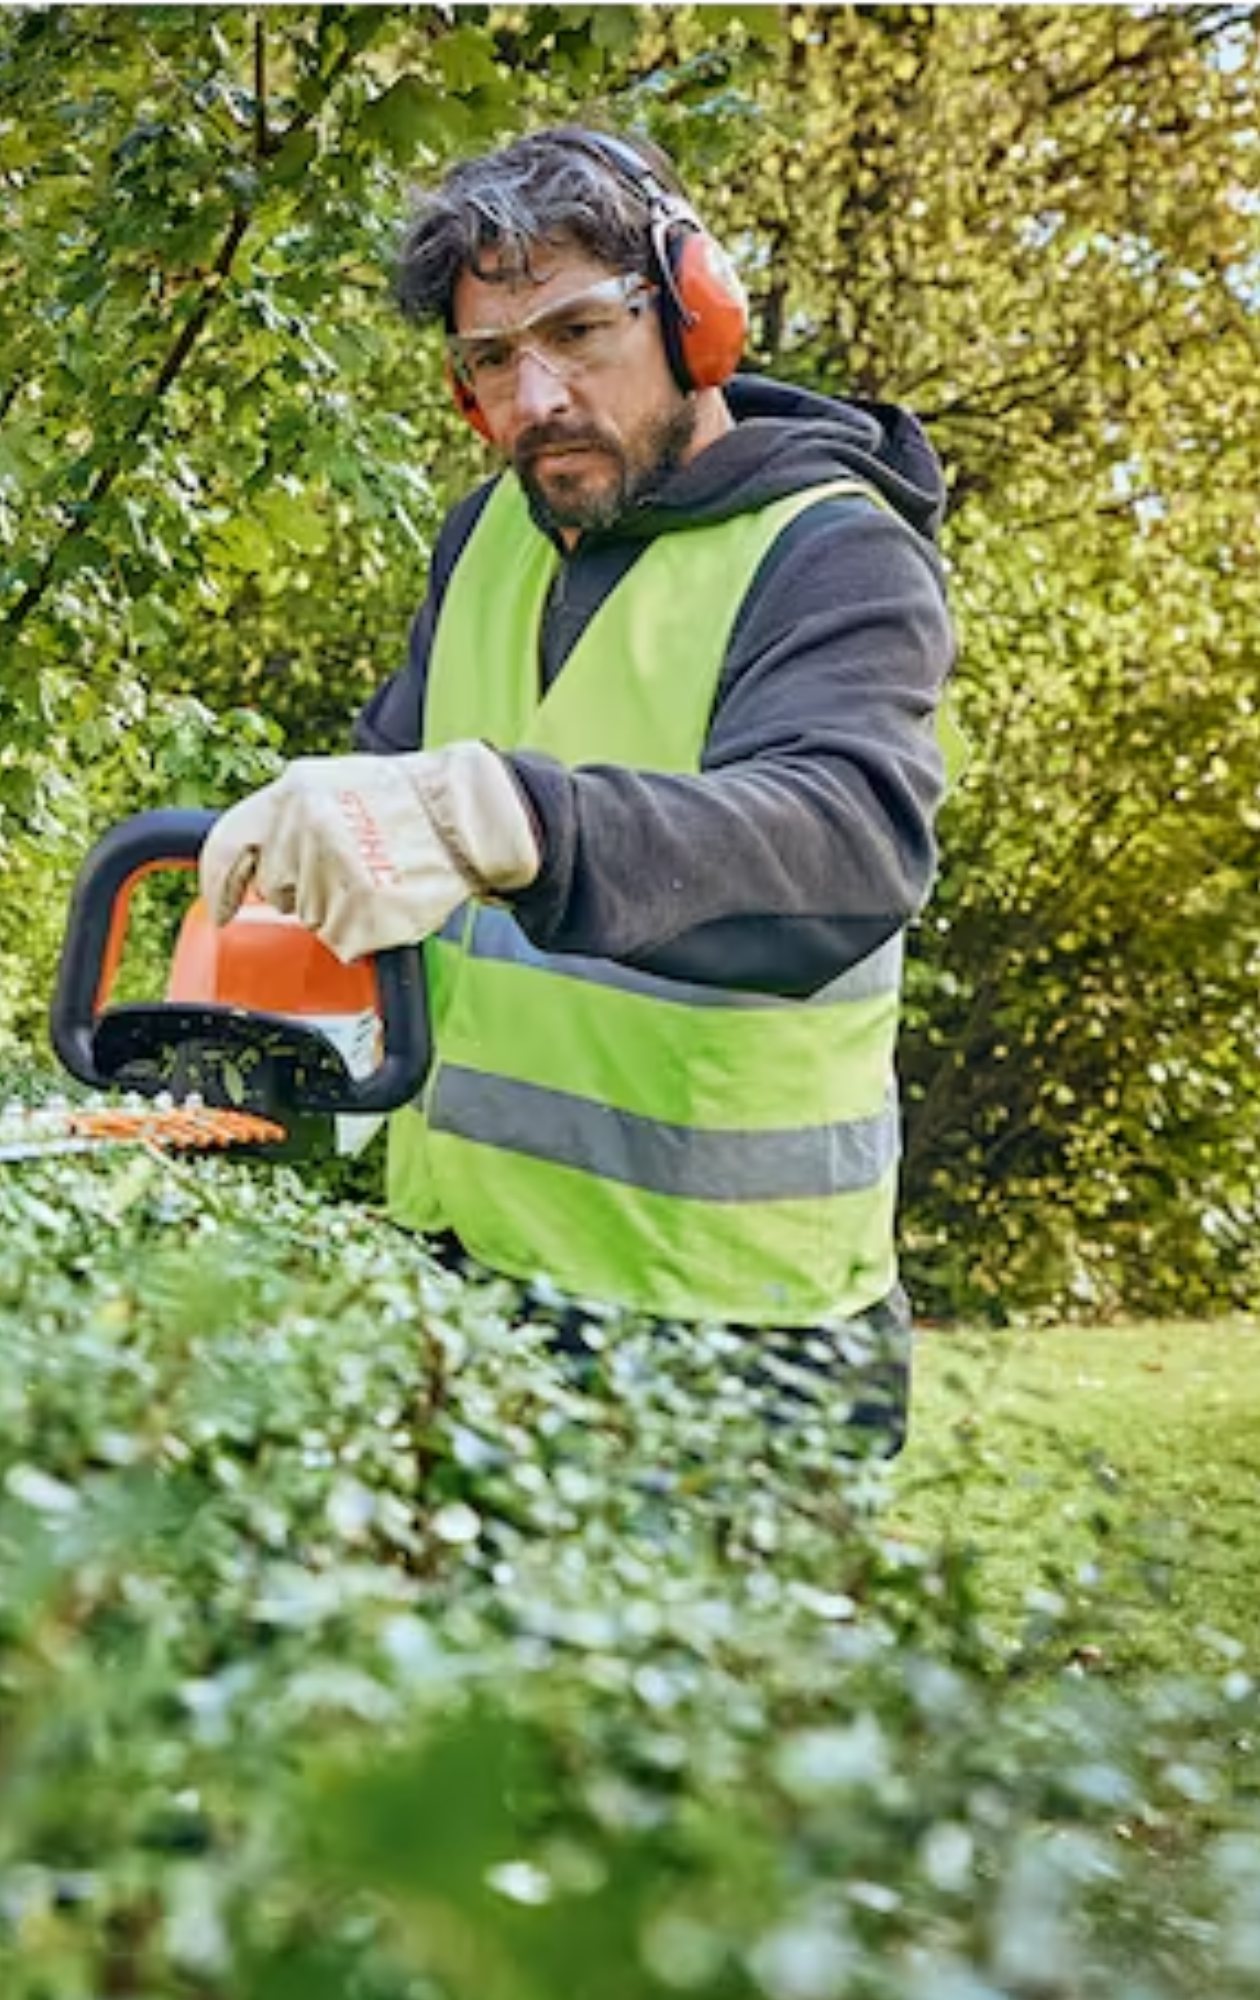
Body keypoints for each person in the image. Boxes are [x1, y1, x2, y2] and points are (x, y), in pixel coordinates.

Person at [198, 126, 957, 1451]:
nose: (536, 396)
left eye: (577, 334)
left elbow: (849, 845)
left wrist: (519, 819)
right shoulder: (487, 535)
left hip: (735, 1332)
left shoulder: (835, 553)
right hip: (463, 1270)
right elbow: (391, 816)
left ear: (692, 316)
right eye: (492, 359)